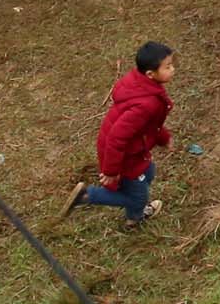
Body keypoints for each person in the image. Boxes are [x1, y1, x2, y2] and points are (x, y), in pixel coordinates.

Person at [67, 41, 175, 228]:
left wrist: (163, 138)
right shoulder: (146, 104)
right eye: (168, 67)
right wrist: (110, 172)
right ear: (150, 74)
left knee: (148, 172)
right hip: (125, 156)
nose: (173, 69)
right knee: (138, 196)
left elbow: (149, 126)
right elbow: (117, 138)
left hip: (133, 151)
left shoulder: (142, 84)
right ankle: (87, 196)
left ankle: (134, 216)